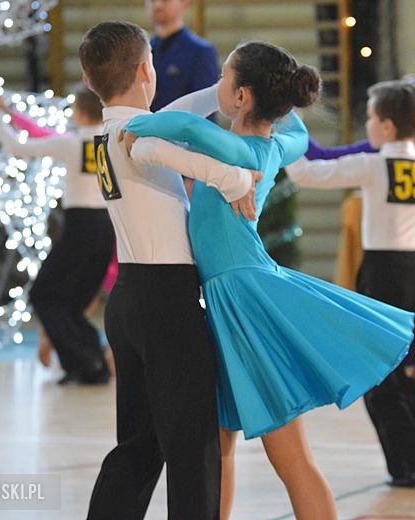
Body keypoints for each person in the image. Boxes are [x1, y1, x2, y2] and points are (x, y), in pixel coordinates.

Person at [123, 42, 415, 518]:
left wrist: (131, 128)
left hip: (247, 301)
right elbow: (294, 127)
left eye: (223, 77)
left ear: (241, 96)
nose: (216, 85)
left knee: (289, 456)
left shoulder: (242, 149)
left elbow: (175, 125)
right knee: (219, 445)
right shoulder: (278, 143)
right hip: (226, 301)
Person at [78, 21, 259, 519]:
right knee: (193, 448)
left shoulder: (107, 132)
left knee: (138, 445)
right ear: (145, 71)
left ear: (91, 80)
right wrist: (235, 178)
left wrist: (218, 92)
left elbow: (173, 118)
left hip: (131, 298)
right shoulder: (136, 136)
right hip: (166, 302)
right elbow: (166, 148)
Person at [285, 80, 415, 488]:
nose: (367, 124)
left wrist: (287, 129)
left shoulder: (373, 164)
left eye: (369, 117)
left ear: (385, 126)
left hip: (382, 274)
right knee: (393, 373)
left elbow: (308, 174)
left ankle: (412, 465)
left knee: (377, 377)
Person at [0, 84, 115, 385]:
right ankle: (91, 361)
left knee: (43, 295)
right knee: (71, 305)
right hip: (106, 229)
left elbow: (20, 146)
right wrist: (11, 112)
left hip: (80, 227)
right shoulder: (110, 143)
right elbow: (39, 132)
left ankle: (86, 363)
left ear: (79, 113)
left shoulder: (70, 143)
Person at [148, 0, 219, 112]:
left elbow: (206, 111)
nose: (157, 5)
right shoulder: (142, 51)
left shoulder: (200, 52)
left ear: (184, 3)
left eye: (165, 0)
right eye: (152, 0)